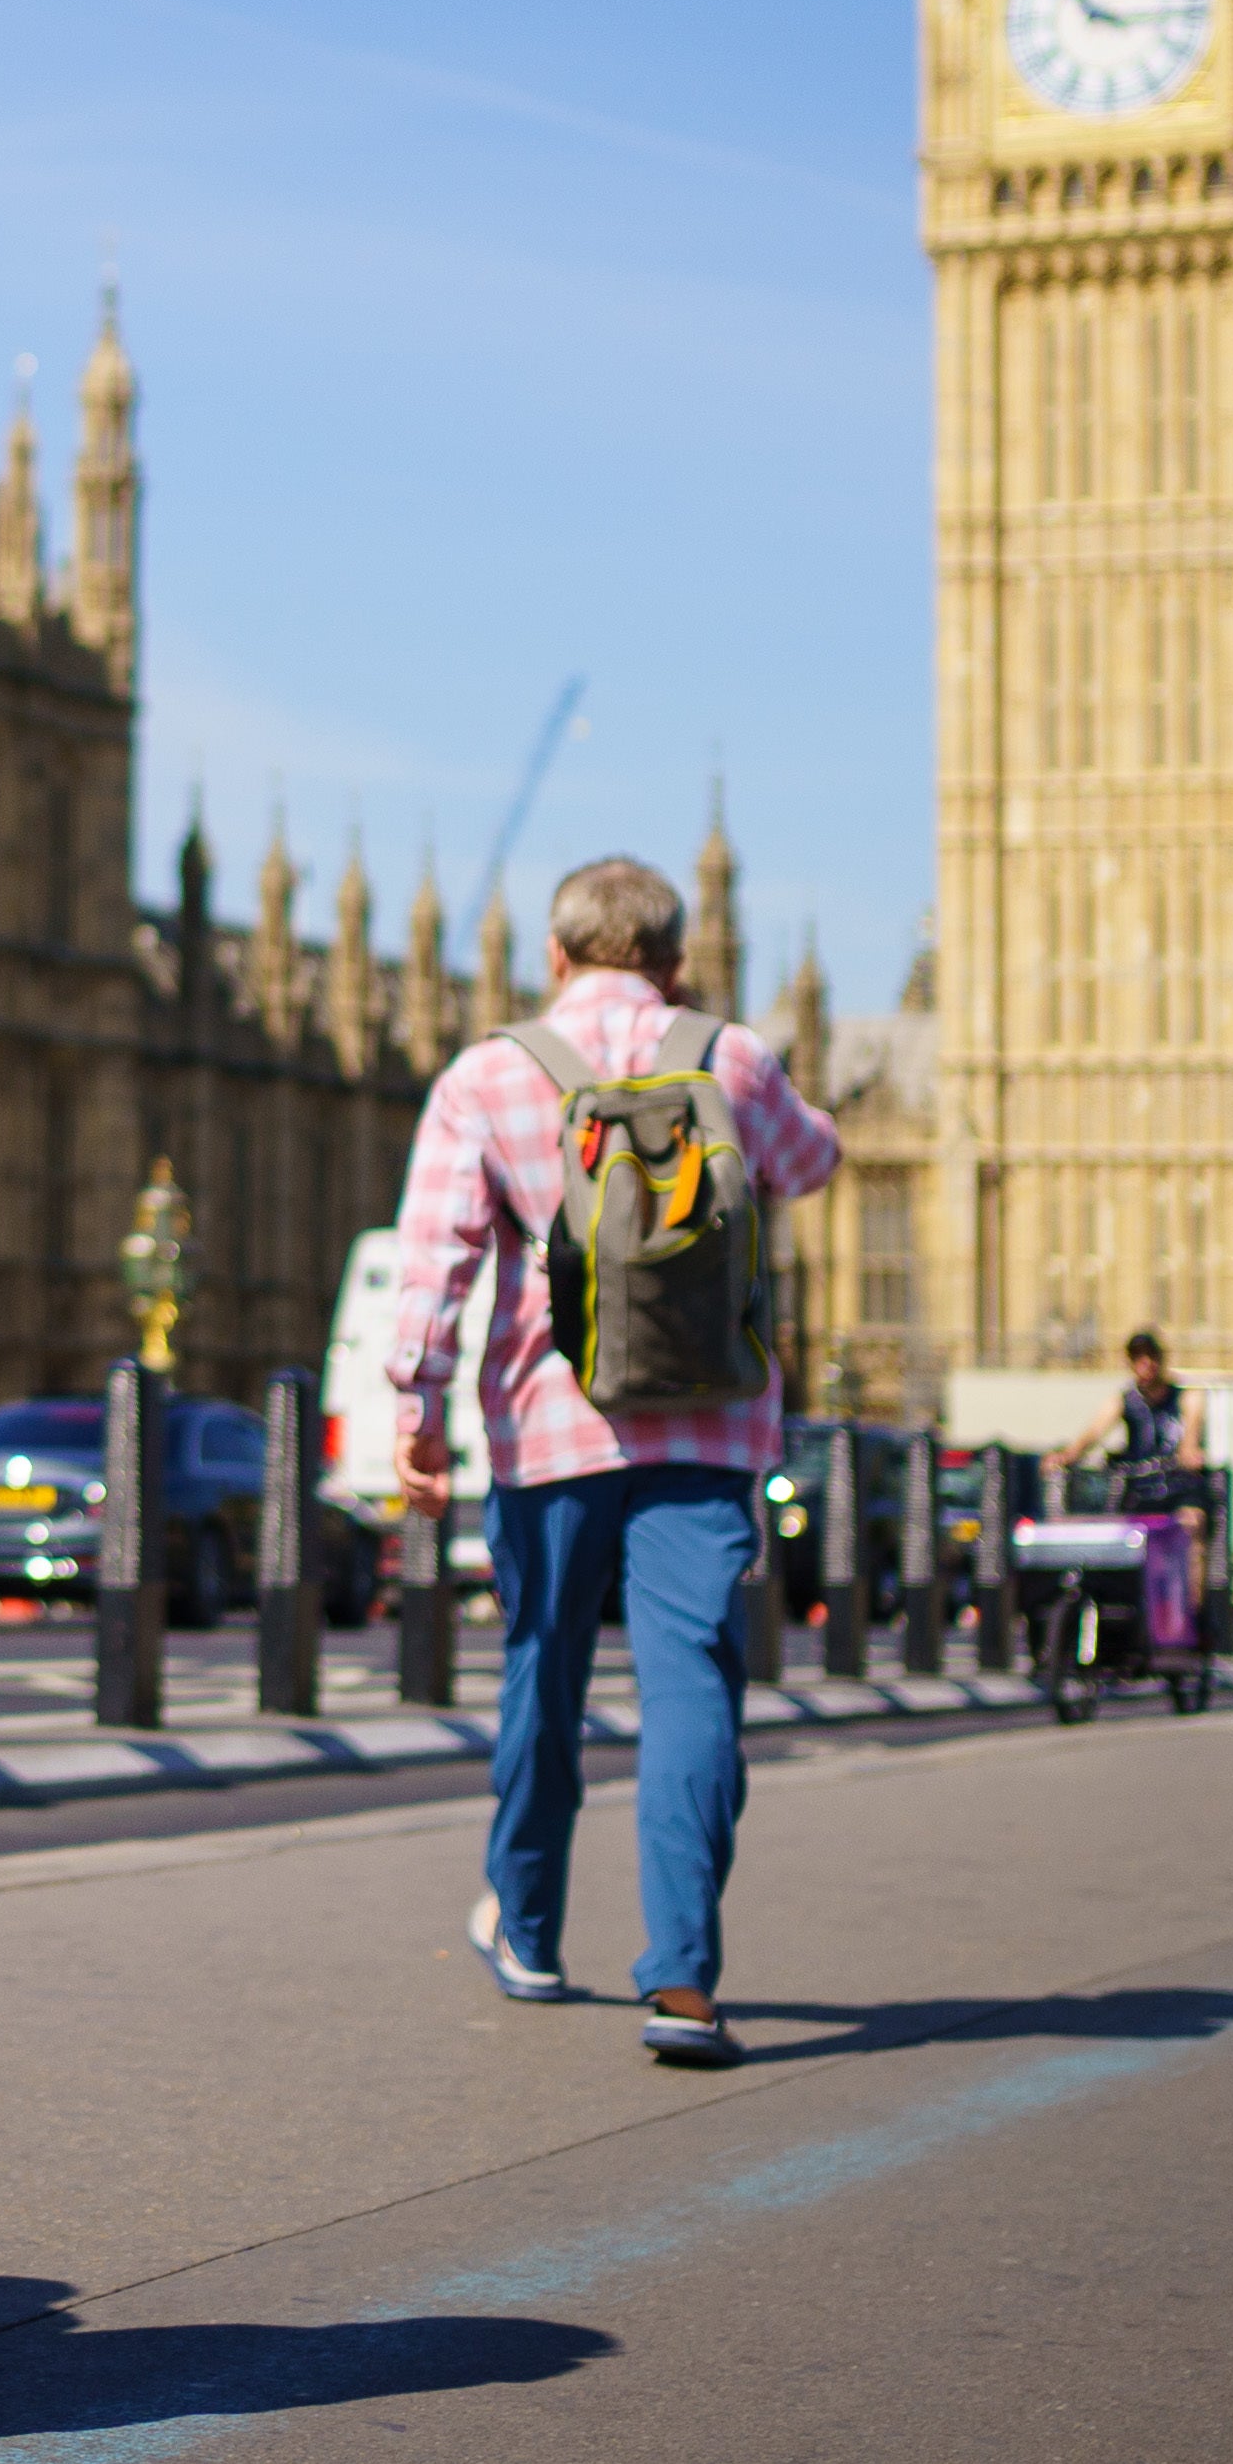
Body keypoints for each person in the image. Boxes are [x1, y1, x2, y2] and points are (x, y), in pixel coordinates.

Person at [387, 854, 842, 2069]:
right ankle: (683, 1980)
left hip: (548, 1427)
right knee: (690, 1683)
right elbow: (811, 1164)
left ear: (552, 954)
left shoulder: (490, 1074)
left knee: (543, 1671)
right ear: (674, 959)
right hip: (707, 1427)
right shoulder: (729, 1057)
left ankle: (527, 1927)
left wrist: (417, 1405)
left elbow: (432, 1257)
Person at [1058, 1333, 1198, 1498]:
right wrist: (1067, 1455)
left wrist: (1189, 1453)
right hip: (1140, 1487)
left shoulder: (1186, 1397)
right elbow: (1094, 1432)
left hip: (1178, 1484)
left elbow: (1191, 1440)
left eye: (1151, 1356)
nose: (1146, 1364)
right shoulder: (1124, 1400)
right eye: (1138, 1358)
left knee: (1191, 1518)